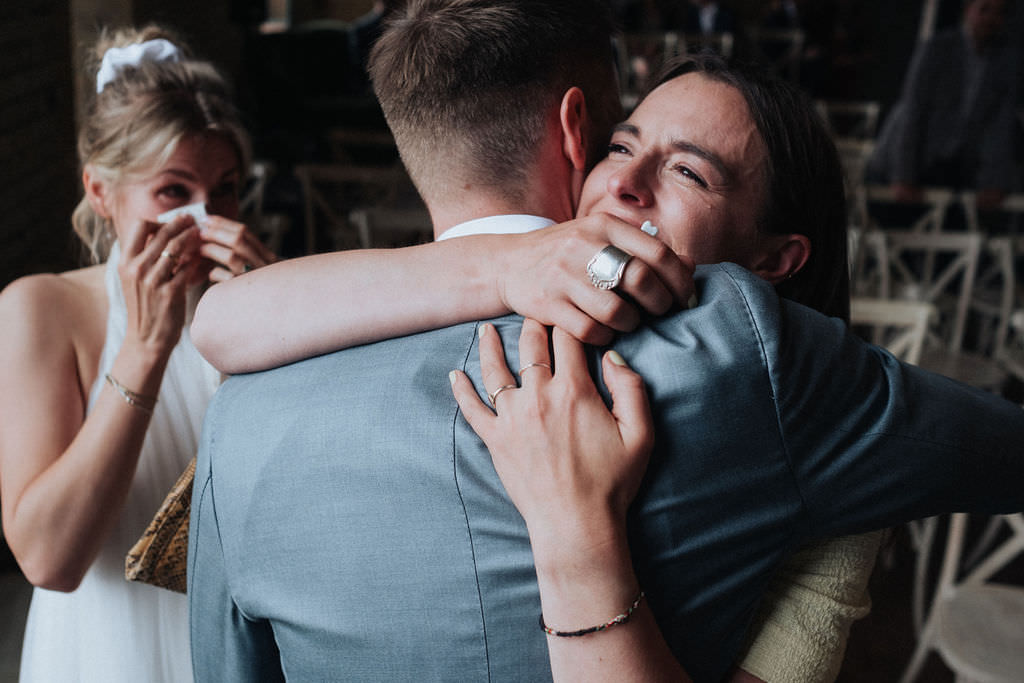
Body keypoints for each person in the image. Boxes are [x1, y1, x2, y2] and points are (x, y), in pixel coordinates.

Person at [188, 3, 1024, 683]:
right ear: (579, 139)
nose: (625, 181)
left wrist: (580, 536)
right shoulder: (737, 352)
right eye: (623, 145)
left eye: (691, 172)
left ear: (776, 261)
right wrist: (515, 261)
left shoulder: (244, 412)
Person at [0, 25, 275, 682]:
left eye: (226, 190)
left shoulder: (257, 304)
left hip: (239, 645)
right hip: (107, 649)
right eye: (174, 192)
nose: (206, 220)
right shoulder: (42, 309)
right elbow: (47, 559)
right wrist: (145, 349)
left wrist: (278, 334)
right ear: (101, 193)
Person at [867, 0, 1019, 210]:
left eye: (999, 13)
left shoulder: (1005, 60)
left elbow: (1000, 128)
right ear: (968, 11)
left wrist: (994, 182)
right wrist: (903, 175)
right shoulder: (938, 47)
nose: (991, 19)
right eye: (984, 10)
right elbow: (913, 111)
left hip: (952, 170)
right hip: (904, 163)